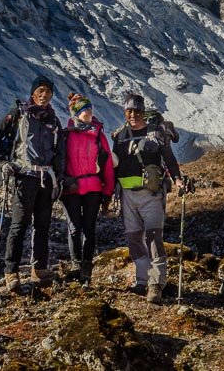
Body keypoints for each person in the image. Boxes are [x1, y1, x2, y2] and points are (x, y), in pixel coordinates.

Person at [0, 75, 65, 292]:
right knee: (19, 225)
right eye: (40, 91)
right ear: (33, 93)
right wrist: (3, 162)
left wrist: (59, 176)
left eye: (48, 92)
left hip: (46, 179)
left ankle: (38, 269)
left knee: (42, 226)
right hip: (24, 178)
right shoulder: (19, 114)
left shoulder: (53, 120)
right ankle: (11, 271)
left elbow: (59, 152)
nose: (44, 95)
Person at [111, 92, 182, 304]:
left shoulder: (155, 133)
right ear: (125, 113)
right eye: (129, 111)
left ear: (143, 112)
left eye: (137, 111)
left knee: (153, 238)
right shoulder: (119, 136)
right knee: (134, 239)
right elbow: (113, 166)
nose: (133, 115)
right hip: (127, 195)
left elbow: (169, 158)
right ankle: (142, 280)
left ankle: (156, 283)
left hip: (151, 194)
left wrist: (177, 179)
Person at [60, 92, 115, 286]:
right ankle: (76, 265)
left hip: (93, 187)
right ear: (76, 113)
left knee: (88, 229)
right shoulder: (66, 135)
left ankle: (86, 268)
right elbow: (58, 161)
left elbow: (107, 163)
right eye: (85, 110)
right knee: (74, 228)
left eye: (91, 109)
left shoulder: (98, 135)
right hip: (71, 188)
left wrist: (108, 192)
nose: (90, 113)